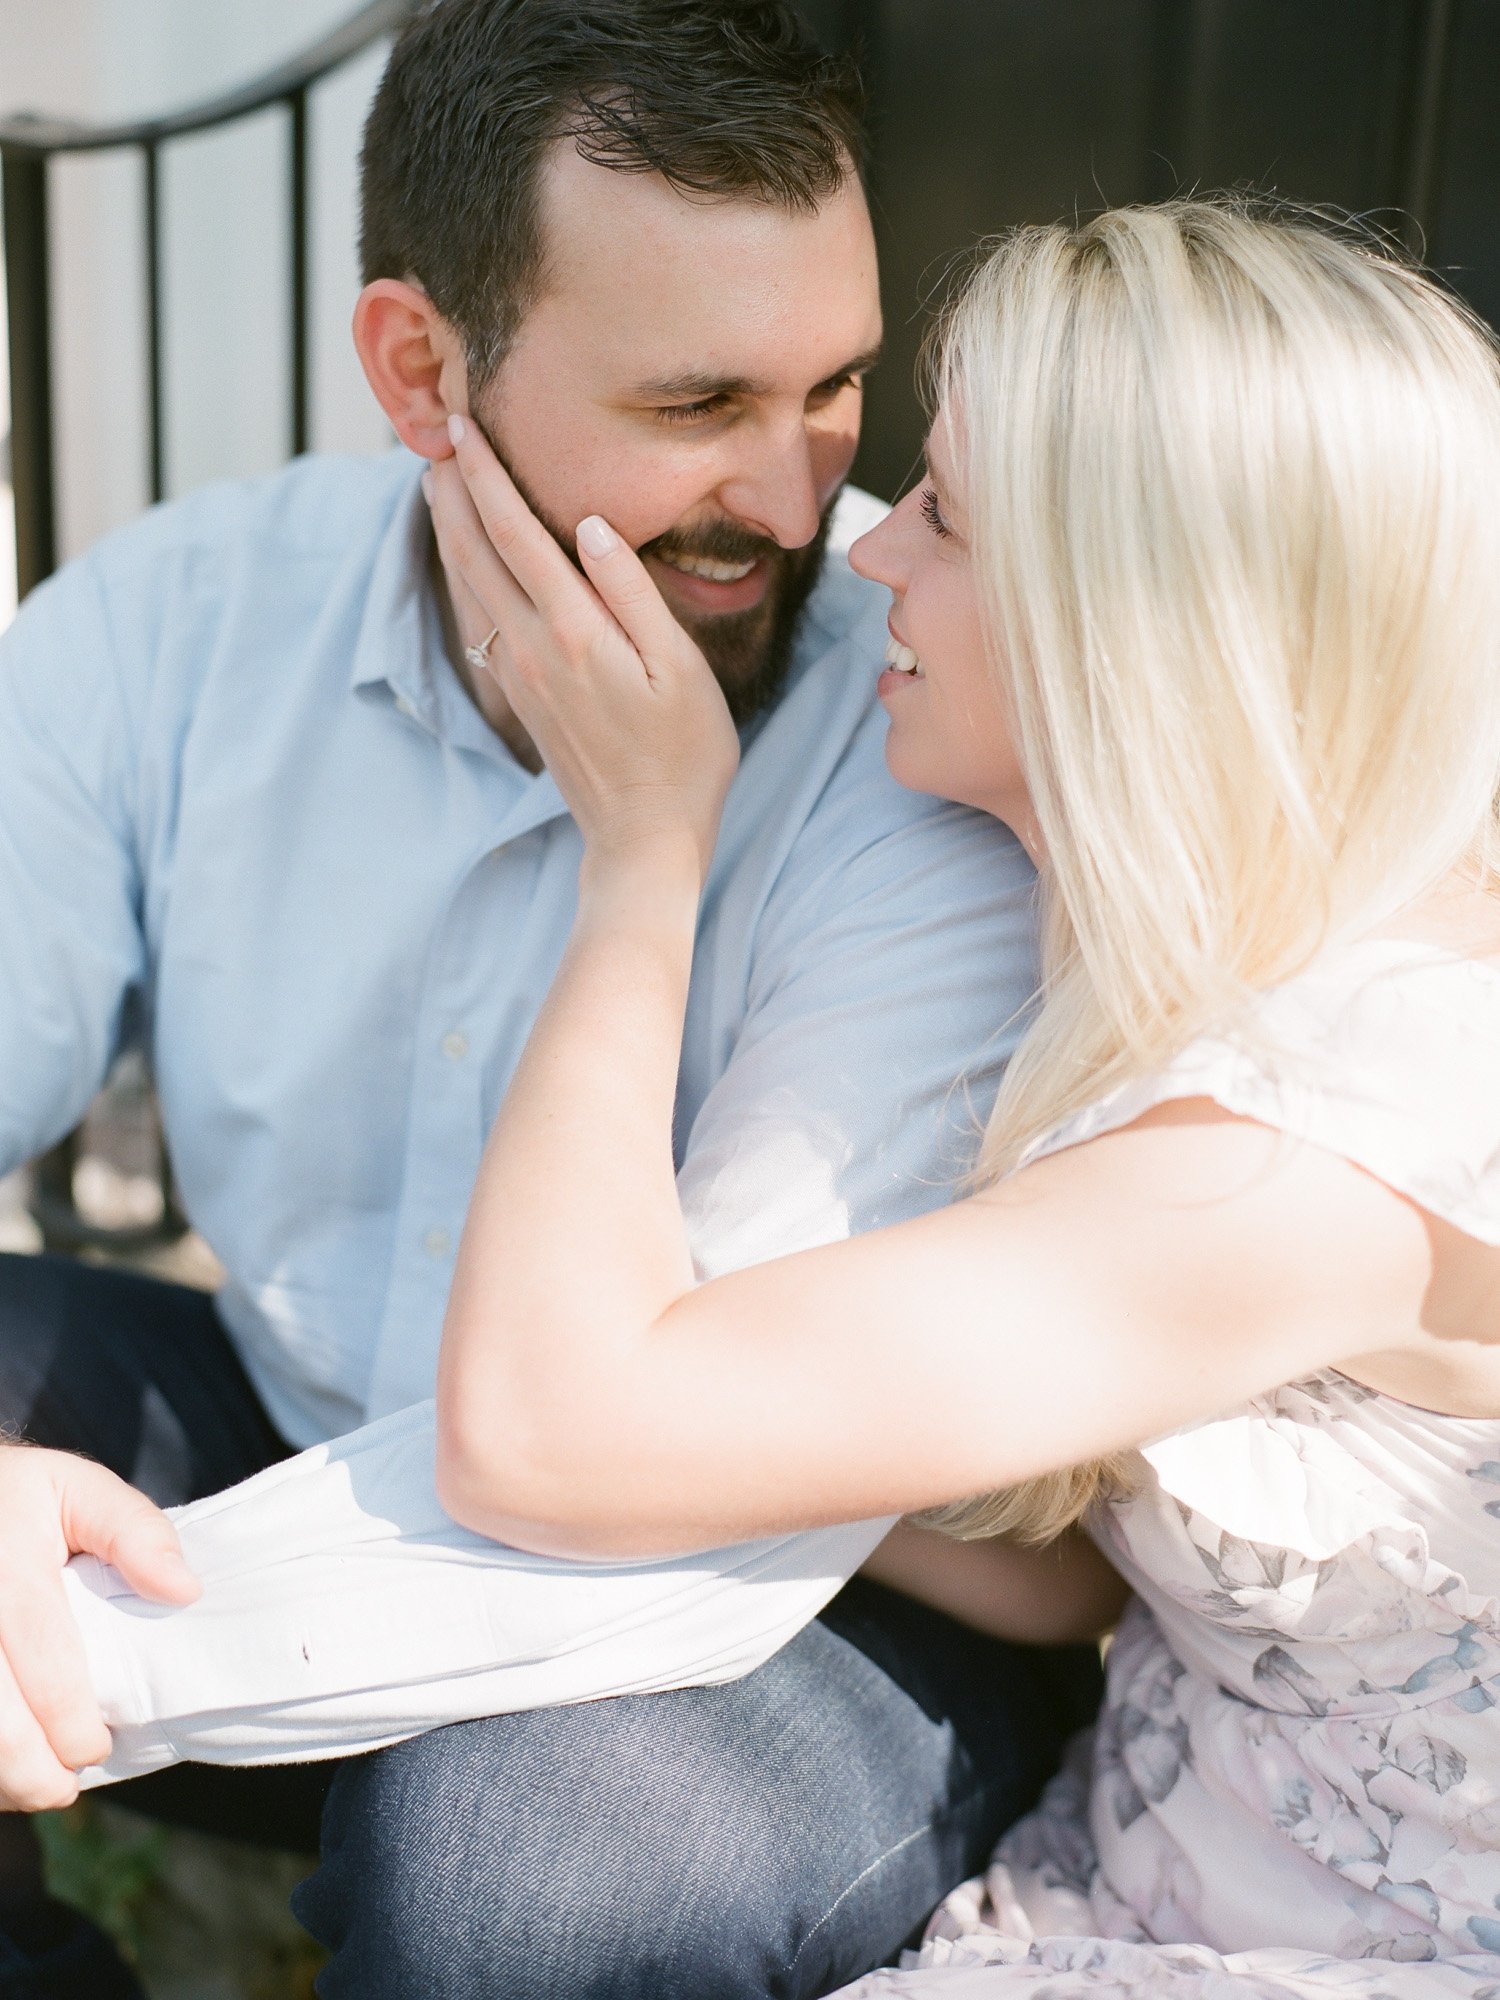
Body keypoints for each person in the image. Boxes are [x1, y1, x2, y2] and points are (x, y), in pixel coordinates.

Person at [0, 3, 1099, 1995]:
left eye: (835, 388)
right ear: (423, 366)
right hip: (326, 1447)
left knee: (520, 1868)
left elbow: (654, 1438)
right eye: (698, 405)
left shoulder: (931, 737)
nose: (795, 506)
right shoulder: (181, 627)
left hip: (783, 1596)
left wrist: (645, 854)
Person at [386, 197, 1500, 1997]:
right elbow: (1081, 1575)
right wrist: (758, 1425)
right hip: (1151, 1860)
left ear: (1143, 619)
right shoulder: (1244, 970)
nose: (872, 547)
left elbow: (537, 1430)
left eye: (953, 517)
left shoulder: (1319, 1130)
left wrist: (647, 851)